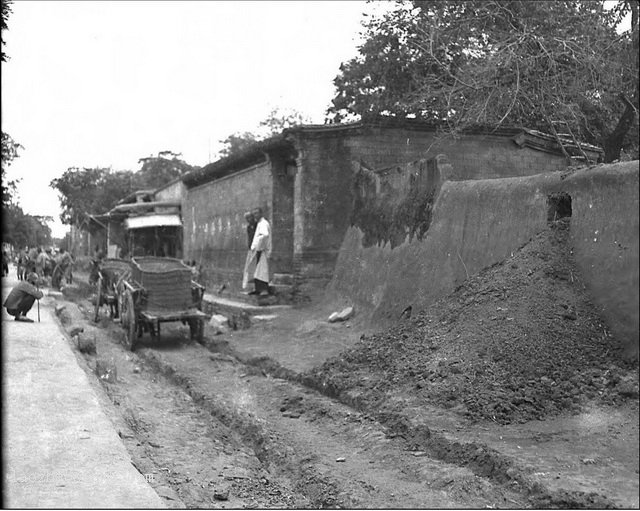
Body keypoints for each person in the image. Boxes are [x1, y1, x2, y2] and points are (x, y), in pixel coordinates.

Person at [250, 207, 272, 296]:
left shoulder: (263, 223)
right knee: (258, 270)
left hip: (262, 250)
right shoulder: (259, 223)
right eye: (254, 214)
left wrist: (258, 247)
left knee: (262, 270)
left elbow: (264, 235)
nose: (255, 215)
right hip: (259, 250)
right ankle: (258, 289)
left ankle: (264, 289)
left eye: (257, 213)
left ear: (261, 214)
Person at [242, 211, 258, 292]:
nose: (248, 220)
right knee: (249, 267)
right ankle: (250, 286)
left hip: (257, 248)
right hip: (251, 249)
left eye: (249, 217)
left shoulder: (257, 225)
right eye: (247, 218)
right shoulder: (249, 227)